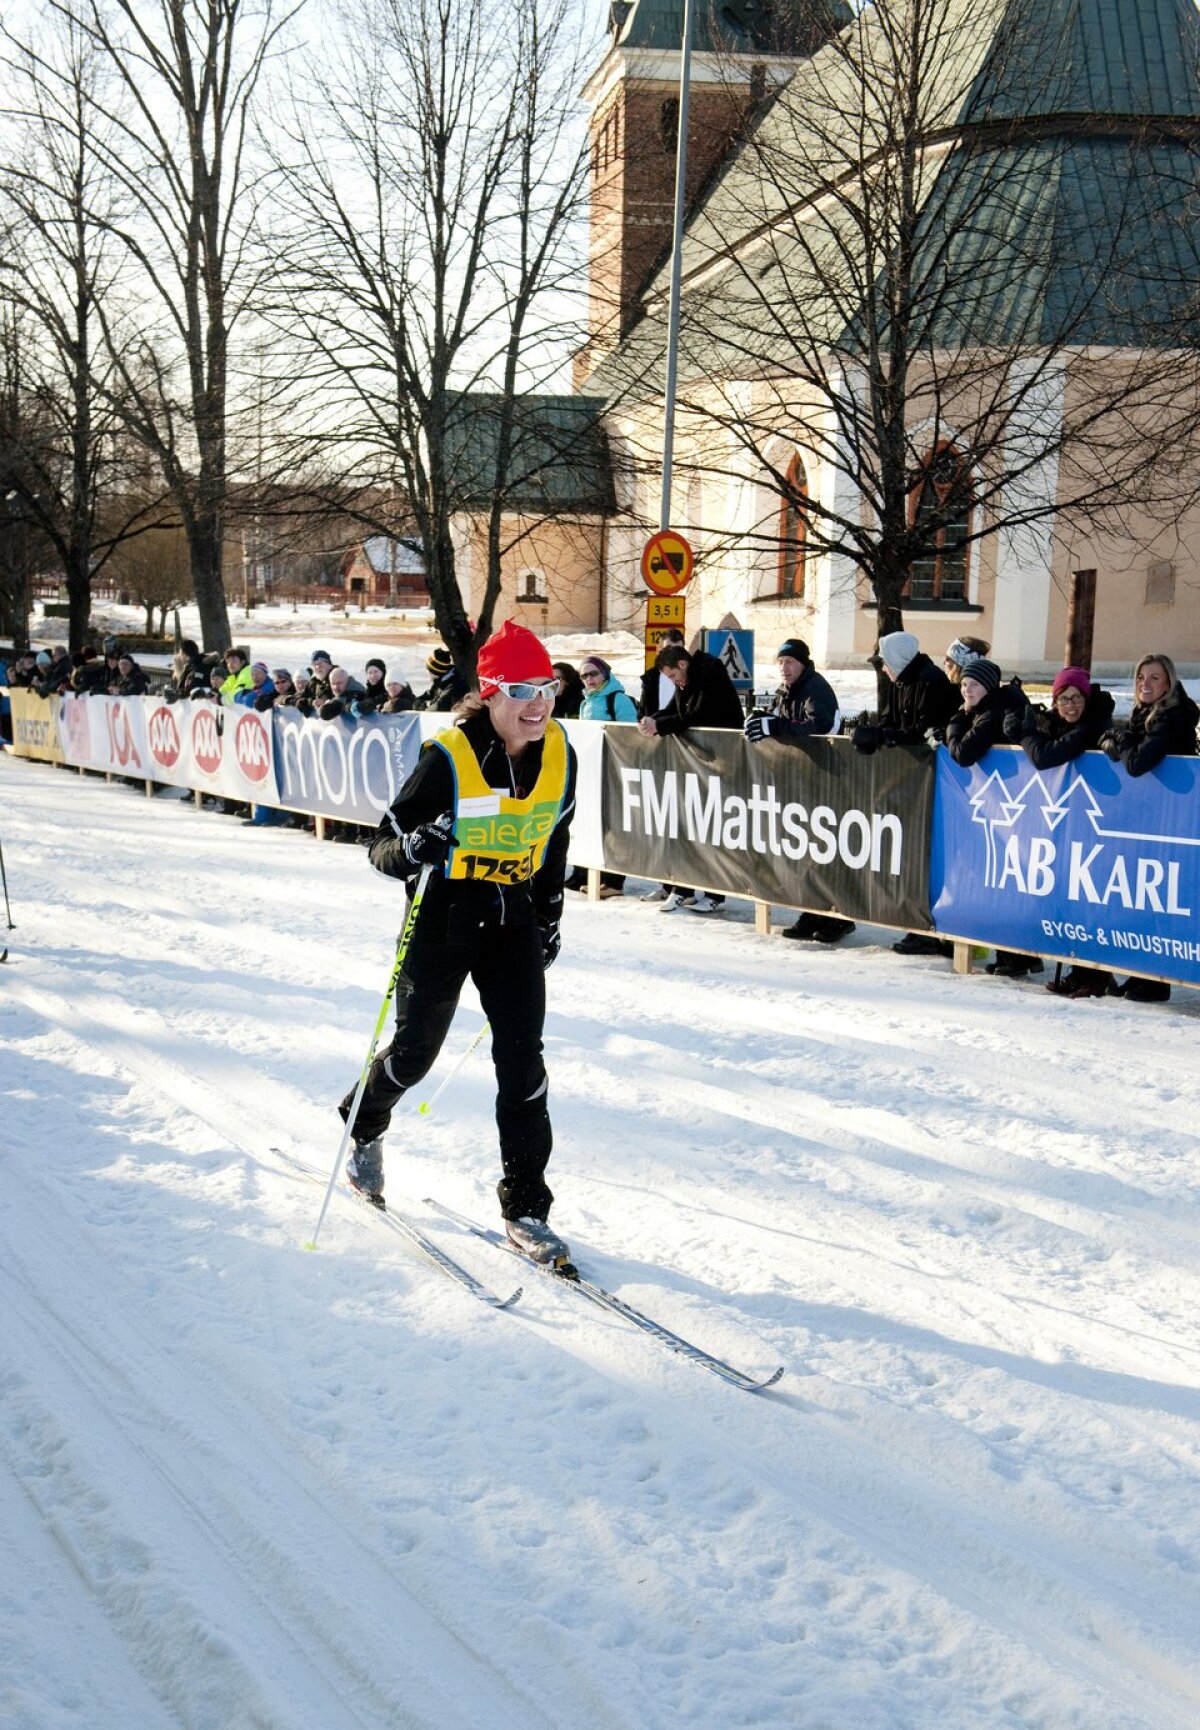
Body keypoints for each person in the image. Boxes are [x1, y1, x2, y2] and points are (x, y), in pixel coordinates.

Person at [337, 618, 577, 1265]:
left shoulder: (561, 753)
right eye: (523, 690)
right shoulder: (448, 756)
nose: (539, 704)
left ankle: (526, 1207)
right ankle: (363, 1122)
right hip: (446, 916)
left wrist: (550, 916)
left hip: (514, 919)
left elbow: (555, 841)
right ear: (490, 692)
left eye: (547, 688)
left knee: (524, 1064)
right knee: (414, 1055)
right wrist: (415, 847)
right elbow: (382, 846)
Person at [854, 630, 958, 957]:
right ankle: (918, 925)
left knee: (931, 857)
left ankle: (935, 931)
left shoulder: (930, 682)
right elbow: (894, 722)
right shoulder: (901, 681)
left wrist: (888, 737)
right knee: (912, 856)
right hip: (913, 784)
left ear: (898, 659)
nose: (883, 669)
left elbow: (924, 730)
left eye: (884, 663)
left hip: (938, 783)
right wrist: (875, 733)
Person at [745, 637, 852, 943]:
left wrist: (776, 727)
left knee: (827, 850)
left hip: (827, 778)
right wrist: (761, 720)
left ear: (803, 663)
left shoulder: (816, 687)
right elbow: (777, 718)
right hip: (799, 781)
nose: (784, 668)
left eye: (790, 662)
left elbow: (823, 727)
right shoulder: (784, 690)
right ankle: (812, 911)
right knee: (806, 850)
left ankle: (839, 916)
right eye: (780, 662)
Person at [639, 643, 744, 913]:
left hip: (721, 758)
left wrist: (660, 725)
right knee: (689, 825)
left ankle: (715, 894)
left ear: (683, 665)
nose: (674, 682)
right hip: (697, 761)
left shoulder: (709, 672)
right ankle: (683, 888)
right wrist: (651, 718)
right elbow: (676, 708)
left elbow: (698, 714)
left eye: (673, 677)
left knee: (713, 828)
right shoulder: (688, 680)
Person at [569, 655, 638, 898]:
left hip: (614, 771)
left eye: (593, 674)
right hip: (592, 772)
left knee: (613, 826)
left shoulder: (617, 699)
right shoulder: (585, 702)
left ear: (605, 674)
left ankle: (614, 881)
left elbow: (629, 735)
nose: (589, 679)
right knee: (592, 823)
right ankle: (590, 873)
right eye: (584, 676)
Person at [1099, 653, 1199, 778]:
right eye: (1141, 677)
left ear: (1168, 684)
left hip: (1178, 793)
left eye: (1154, 678)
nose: (1144, 684)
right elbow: (1133, 745)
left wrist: (1118, 735)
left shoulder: (1173, 717)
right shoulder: (1141, 713)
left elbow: (1135, 765)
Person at [638, 627, 686, 718]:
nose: (673, 655)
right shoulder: (650, 678)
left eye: (678, 650)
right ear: (658, 650)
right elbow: (642, 714)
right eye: (668, 650)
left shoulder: (692, 677)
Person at [414, 645, 469, 712]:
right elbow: (429, 694)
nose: (427, 673)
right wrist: (418, 701)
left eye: (429, 670)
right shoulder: (441, 681)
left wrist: (425, 706)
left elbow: (439, 707)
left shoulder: (454, 685)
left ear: (435, 671)